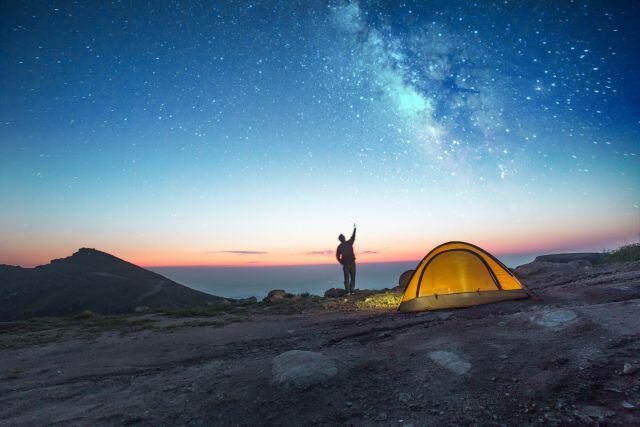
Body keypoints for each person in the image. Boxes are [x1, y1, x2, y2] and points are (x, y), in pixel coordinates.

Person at [336, 224, 357, 294]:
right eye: (342, 238)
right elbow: (337, 256)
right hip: (349, 263)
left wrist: (341, 262)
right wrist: (354, 230)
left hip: (349, 263)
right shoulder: (345, 244)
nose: (342, 238)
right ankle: (350, 290)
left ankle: (349, 291)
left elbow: (337, 256)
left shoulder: (343, 245)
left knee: (349, 277)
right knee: (350, 277)